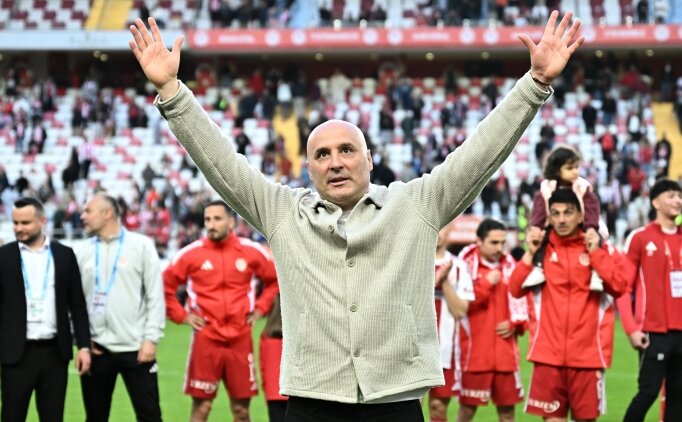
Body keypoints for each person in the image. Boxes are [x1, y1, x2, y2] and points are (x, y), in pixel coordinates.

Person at [129, 11, 584, 421]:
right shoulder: (284, 213)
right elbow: (222, 164)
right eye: (322, 155)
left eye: (347, 150)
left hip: (396, 402)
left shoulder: (415, 205)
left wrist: (534, 85)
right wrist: (171, 92)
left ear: (369, 159)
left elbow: (478, 155)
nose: (335, 162)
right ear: (309, 169)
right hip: (311, 402)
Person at [509, 189, 630, 421]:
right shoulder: (542, 249)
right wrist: (529, 254)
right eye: (555, 213)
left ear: (580, 216)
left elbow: (619, 286)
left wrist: (595, 253)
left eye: (568, 212)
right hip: (547, 356)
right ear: (549, 217)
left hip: (588, 356)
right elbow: (514, 289)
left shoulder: (598, 247)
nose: (562, 219)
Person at [163, 200, 279, 422]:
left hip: (240, 339)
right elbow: (165, 285)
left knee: (241, 411)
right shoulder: (190, 254)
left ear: (231, 222)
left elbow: (275, 280)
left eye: (217, 219)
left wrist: (260, 308)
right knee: (202, 408)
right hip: (206, 338)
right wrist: (182, 316)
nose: (211, 224)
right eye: (207, 219)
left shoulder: (250, 251)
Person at [0, 197, 91, 422]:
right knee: (11, 416)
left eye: (25, 223)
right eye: (15, 222)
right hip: (15, 354)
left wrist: (84, 346)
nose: (19, 228)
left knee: (53, 417)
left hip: (55, 354)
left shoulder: (64, 255)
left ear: (42, 221)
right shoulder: (3, 256)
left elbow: (77, 305)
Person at [76, 194, 165, 422]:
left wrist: (151, 339)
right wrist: (82, 341)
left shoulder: (141, 246)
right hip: (97, 349)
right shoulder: (81, 251)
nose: (82, 216)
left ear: (107, 213)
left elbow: (155, 295)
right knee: (95, 418)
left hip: (137, 349)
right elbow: (73, 302)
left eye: (88, 211)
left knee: (150, 417)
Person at [617, 179, 682, 422]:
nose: (677, 200)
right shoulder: (641, 237)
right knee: (648, 392)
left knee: (678, 396)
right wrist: (631, 329)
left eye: (679, 196)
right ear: (655, 202)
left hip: (681, 331)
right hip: (653, 330)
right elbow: (622, 287)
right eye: (671, 195)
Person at [457, 219, 527, 422]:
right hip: (475, 356)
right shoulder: (464, 268)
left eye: (503, 243)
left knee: (507, 415)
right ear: (479, 241)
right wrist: (486, 284)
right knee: (466, 412)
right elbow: (460, 305)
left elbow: (527, 303)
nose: (499, 248)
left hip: (506, 356)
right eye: (494, 242)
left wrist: (515, 323)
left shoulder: (512, 268)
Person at [523, 145, 604, 291]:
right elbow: (539, 210)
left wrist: (591, 227)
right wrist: (535, 227)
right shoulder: (546, 188)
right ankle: (538, 268)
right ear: (556, 170)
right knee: (541, 239)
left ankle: (596, 273)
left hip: (583, 226)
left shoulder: (582, 186)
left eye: (576, 167)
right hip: (553, 226)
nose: (575, 172)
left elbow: (591, 208)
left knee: (597, 239)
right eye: (569, 168)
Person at [429, 223, 475, 422]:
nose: (437, 232)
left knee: (438, 408)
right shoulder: (414, 260)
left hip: (445, 351)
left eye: (442, 227)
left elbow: (460, 311)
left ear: (450, 229)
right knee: (411, 406)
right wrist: (435, 281)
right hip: (414, 350)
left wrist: (445, 282)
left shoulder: (459, 267)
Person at [260, 294, 287, 422]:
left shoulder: (266, 336)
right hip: (294, 392)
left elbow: (263, 367)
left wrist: (266, 391)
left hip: (273, 394)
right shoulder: (297, 335)